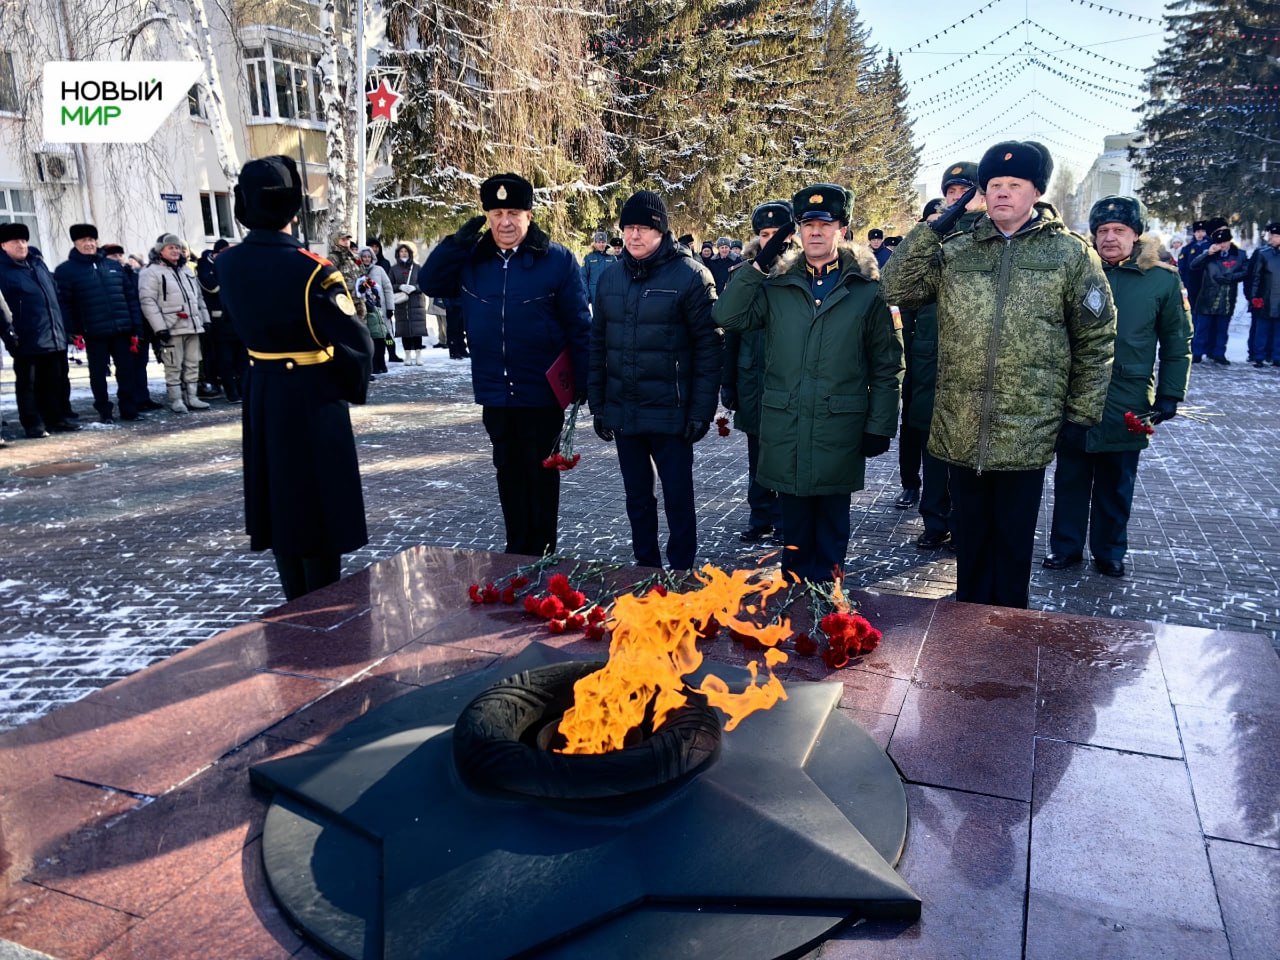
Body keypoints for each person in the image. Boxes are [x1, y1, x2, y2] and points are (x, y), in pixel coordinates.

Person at [881, 140, 1116, 609]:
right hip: (961, 426)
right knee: (969, 553)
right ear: (980, 194)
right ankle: (966, 644)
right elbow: (895, 287)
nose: (1003, 193)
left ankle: (1007, 645)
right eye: (993, 186)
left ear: (1035, 192)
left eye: (1015, 185)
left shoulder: (1069, 255)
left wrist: (1081, 416)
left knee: (1011, 555)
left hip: (1027, 429)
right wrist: (937, 225)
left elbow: (1096, 339)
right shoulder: (956, 250)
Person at [715, 184, 903, 583]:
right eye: (806, 224)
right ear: (797, 231)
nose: (815, 232)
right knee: (795, 537)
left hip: (840, 428)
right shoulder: (776, 287)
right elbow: (726, 316)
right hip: (786, 426)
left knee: (832, 533)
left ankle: (830, 611)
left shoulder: (866, 291)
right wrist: (759, 265)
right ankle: (797, 613)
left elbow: (887, 365)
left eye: (825, 223)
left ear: (843, 229)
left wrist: (880, 425)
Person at [216, 155, 374, 600]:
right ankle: (319, 608)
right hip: (312, 394)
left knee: (280, 504)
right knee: (320, 508)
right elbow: (357, 344)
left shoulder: (227, 264)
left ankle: (292, 599)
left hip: (263, 391)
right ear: (293, 207)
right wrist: (346, 386)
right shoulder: (313, 270)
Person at [420, 172, 591, 556]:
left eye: (514, 211)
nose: (506, 222)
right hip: (495, 391)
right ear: (488, 216)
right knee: (508, 472)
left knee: (541, 475)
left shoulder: (556, 260)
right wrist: (454, 245)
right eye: (497, 213)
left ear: (529, 216)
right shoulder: (472, 259)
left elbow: (580, 325)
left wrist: (584, 380)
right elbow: (430, 282)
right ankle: (516, 548)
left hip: (541, 392)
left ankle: (544, 551)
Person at [1045, 196, 1192, 578]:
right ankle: (1065, 547)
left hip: (1128, 398)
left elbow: (1178, 341)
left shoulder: (1161, 279)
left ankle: (1110, 550)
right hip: (1075, 394)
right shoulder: (1077, 271)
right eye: (1102, 231)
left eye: (1119, 230)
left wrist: (1171, 393)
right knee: (1071, 476)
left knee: (1116, 482)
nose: (1110, 238)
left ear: (1136, 234)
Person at [590, 189, 720, 571]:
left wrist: (701, 410)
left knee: (678, 497)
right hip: (626, 412)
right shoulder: (611, 278)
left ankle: (681, 569)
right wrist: (599, 404)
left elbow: (710, 349)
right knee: (637, 498)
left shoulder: (691, 276)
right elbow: (598, 344)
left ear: (662, 231)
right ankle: (645, 566)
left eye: (643, 228)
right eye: (628, 228)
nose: (634, 236)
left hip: (672, 415)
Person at [721, 200, 792, 544]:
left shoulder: (801, 274)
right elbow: (730, 333)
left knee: (785, 452)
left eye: (776, 233)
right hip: (752, 379)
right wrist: (728, 383)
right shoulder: (745, 275)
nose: (770, 240)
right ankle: (760, 514)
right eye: (764, 234)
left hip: (788, 383)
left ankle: (784, 518)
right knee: (757, 454)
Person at [52, 223, 146, 423]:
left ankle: (129, 409)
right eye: (84, 240)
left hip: (121, 329)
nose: (89, 244)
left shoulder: (113, 267)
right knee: (97, 375)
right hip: (93, 332)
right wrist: (73, 331)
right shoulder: (66, 271)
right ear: (75, 243)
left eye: (92, 240)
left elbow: (131, 298)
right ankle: (104, 411)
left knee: (126, 372)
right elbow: (65, 304)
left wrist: (136, 327)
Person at [0, 223, 80, 438]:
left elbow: (55, 296)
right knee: (29, 384)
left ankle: (55, 419)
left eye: (24, 240)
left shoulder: (38, 265)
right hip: (25, 337)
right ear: (3, 245)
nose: (21, 245)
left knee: (54, 381)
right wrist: (10, 335)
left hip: (53, 334)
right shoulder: (3, 270)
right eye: (15, 241)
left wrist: (65, 328)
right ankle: (33, 423)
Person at [138, 233, 211, 413]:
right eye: (171, 247)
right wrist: (160, 328)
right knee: (173, 365)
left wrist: (205, 319)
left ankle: (192, 397)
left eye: (177, 247)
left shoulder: (186, 270)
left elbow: (198, 297)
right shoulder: (150, 272)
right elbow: (148, 301)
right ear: (160, 251)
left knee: (193, 363)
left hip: (193, 325)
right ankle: (176, 399)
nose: (176, 251)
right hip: (171, 326)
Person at [102, 243, 163, 412]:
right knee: (127, 367)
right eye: (114, 256)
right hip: (123, 327)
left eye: (120, 255)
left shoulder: (133, 274)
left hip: (140, 326)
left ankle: (143, 397)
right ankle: (132, 400)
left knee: (141, 364)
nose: (119, 259)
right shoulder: (107, 275)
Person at [1189, 223, 1248, 365]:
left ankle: (1218, 353)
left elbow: (1246, 271)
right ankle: (1197, 353)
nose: (1222, 245)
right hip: (1207, 296)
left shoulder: (1240, 255)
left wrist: (1231, 278)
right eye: (1219, 242)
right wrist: (1207, 253)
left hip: (1227, 296)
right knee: (1202, 328)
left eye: (1224, 242)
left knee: (1222, 329)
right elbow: (1193, 265)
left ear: (1229, 241)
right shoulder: (1209, 253)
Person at [197, 239, 246, 403]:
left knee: (241, 359)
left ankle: (242, 389)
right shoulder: (207, 267)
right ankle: (231, 391)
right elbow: (212, 287)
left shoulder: (234, 267)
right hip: (220, 320)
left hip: (237, 319)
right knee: (225, 360)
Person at [389, 242, 429, 365]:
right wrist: (400, 286)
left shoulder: (417, 267)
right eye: (401, 251)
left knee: (417, 330)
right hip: (402, 303)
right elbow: (389, 285)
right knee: (404, 329)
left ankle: (418, 355)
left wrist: (414, 288)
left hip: (416, 302)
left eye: (406, 251)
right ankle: (407, 355)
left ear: (410, 253)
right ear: (398, 254)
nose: (404, 253)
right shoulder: (394, 269)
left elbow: (424, 283)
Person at [356, 247, 393, 375]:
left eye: (369, 257)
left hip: (379, 310)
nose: (366, 259)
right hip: (365, 310)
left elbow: (388, 288)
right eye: (364, 257)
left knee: (381, 337)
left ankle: (382, 361)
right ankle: (373, 365)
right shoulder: (357, 271)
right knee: (369, 338)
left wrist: (390, 307)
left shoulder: (379, 270)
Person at [1248, 221, 1280, 367]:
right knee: (1262, 330)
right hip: (1265, 298)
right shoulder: (1263, 254)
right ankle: (1259, 356)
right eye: (1271, 235)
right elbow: (1256, 277)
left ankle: (1277, 356)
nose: (1271, 239)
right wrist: (1254, 297)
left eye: (1274, 236)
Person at [1178, 220, 1210, 311]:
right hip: (1191, 282)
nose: (1200, 234)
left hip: (1206, 282)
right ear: (1194, 233)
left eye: (1203, 231)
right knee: (1191, 307)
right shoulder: (1187, 248)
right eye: (1198, 232)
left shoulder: (1211, 246)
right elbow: (1182, 265)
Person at [580, 230, 617, 308]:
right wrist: (587, 294)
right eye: (599, 242)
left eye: (603, 242)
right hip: (594, 294)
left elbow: (617, 275)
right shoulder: (589, 257)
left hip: (609, 294)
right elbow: (583, 276)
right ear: (595, 243)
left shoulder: (612, 257)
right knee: (597, 318)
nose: (601, 244)